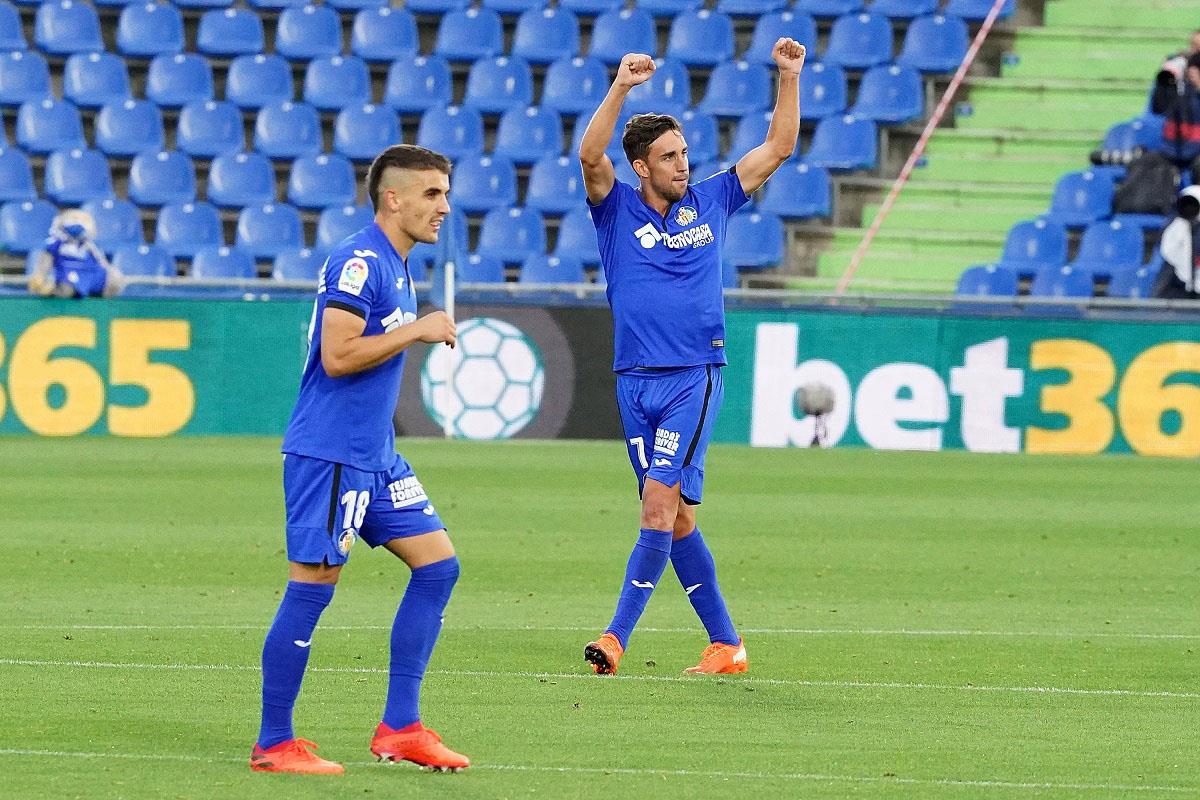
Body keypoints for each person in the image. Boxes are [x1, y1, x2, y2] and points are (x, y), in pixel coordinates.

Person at [577, 42, 805, 676]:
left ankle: (616, 636)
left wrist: (788, 77)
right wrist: (621, 86)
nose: (684, 164)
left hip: (691, 379)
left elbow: (778, 149)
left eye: (684, 154)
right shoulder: (614, 208)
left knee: (656, 503)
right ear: (641, 167)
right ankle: (726, 644)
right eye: (669, 157)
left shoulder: (712, 200)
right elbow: (590, 155)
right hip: (633, 380)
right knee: (675, 519)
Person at [251, 144, 468, 776]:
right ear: (392, 198)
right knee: (313, 587)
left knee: (438, 567)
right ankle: (273, 742)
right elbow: (338, 355)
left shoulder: (398, 265)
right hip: (331, 454)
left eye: (446, 194)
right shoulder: (358, 261)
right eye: (432, 194)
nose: (444, 207)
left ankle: (401, 727)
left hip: (376, 457)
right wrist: (418, 329)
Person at [27, 209, 124, 298]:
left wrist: (112, 273)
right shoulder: (56, 244)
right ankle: (55, 292)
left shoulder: (91, 246)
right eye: (74, 219)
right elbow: (45, 263)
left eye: (83, 220)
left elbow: (102, 263)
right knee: (67, 288)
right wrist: (40, 276)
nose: (78, 222)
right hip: (70, 273)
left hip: (92, 273)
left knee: (114, 280)